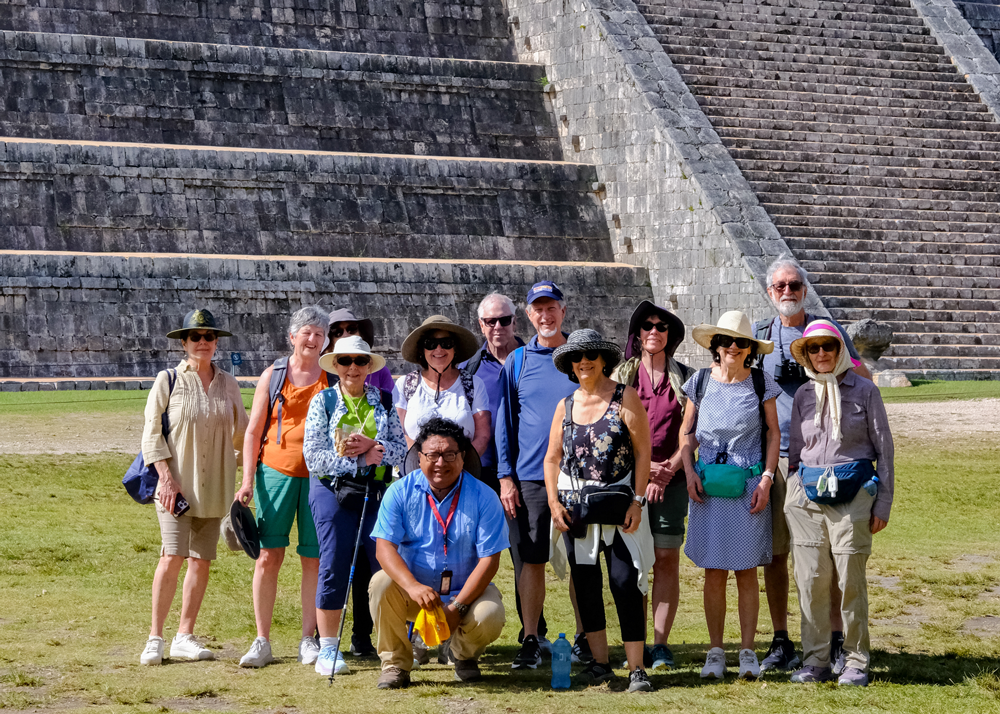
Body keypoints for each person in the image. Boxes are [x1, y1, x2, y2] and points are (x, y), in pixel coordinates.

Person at [753, 256, 872, 672]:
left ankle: (836, 638)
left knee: (830, 555)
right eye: (780, 286)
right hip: (776, 458)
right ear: (770, 292)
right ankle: (782, 638)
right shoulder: (760, 337)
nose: (787, 291)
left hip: (824, 462)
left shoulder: (827, 332)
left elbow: (862, 378)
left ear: (805, 290)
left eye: (794, 285)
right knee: (777, 555)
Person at [785, 320, 895, 687]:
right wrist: (793, 490)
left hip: (854, 492)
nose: (821, 354)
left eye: (827, 346)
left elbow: (885, 451)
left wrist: (883, 503)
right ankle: (815, 660)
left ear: (840, 350)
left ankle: (855, 660)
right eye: (813, 348)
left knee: (850, 578)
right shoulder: (803, 394)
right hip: (808, 496)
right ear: (806, 354)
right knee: (811, 579)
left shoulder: (865, 390)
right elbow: (796, 451)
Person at [545, 330, 655, 693]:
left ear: (603, 359)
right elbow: (551, 458)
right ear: (570, 364)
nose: (584, 362)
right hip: (577, 508)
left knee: (625, 582)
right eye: (577, 357)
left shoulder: (625, 396)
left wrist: (638, 501)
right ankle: (600, 663)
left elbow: (643, 452)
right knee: (586, 585)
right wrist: (553, 502)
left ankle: (637, 668)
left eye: (591, 355)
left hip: (620, 504)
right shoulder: (565, 405)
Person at [139, 309, 248, 666]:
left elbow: (242, 435)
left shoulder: (229, 384)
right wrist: (166, 478)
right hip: (176, 488)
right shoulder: (168, 380)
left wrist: (240, 469)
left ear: (216, 343)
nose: (203, 342)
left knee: (201, 562)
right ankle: (155, 637)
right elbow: (152, 434)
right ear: (184, 343)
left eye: (209, 337)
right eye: (196, 337)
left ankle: (184, 636)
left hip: (214, 488)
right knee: (172, 556)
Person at [369, 418, 508, 689]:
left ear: (463, 457)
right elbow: (384, 548)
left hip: (466, 594)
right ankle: (396, 664)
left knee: (490, 613)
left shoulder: (484, 496)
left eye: (449, 455)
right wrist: (413, 587)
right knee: (380, 583)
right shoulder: (399, 492)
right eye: (432, 455)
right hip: (415, 595)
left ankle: (463, 655)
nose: (440, 463)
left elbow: (490, 561)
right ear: (419, 457)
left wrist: (458, 606)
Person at [679, 311, 781, 680]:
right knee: (714, 571)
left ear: (750, 348)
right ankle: (715, 651)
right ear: (716, 345)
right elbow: (686, 433)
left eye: (740, 342)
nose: (733, 347)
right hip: (708, 487)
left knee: (747, 571)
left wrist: (767, 479)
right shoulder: (699, 381)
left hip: (749, 487)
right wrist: (689, 473)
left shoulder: (762, 383)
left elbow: (773, 433)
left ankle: (748, 651)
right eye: (726, 341)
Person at [302, 336, 407, 677]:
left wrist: (375, 446)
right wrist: (359, 459)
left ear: (369, 366)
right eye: (345, 361)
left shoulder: (384, 400)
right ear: (335, 365)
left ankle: (393, 645)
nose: (353, 368)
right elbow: (313, 457)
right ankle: (328, 648)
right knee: (333, 563)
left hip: (374, 491)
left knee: (384, 563)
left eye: (360, 361)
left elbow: (400, 449)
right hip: (331, 492)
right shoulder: (323, 401)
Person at [496, 281, 585, 667]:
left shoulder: (580, 357)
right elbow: (504, 422)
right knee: (530, 560)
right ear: (529, 315)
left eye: (552, 309)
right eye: (538, 310)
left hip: (577, 477)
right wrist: (505, 476)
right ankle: (531, 637)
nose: (546, 316)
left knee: (581, 559)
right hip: (531, 476)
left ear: (563, 312)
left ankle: (584, 636)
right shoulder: (517, 361)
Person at [235, 306, 330, 668]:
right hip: (275, 471)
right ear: (292, 337)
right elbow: (253, 431)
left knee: (313, 558)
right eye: (307, 332)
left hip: (319, 476)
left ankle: (309, 638)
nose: (313, 340)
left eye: (319, 334)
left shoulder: (331, 377)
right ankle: (262, 639)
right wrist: (247, 480)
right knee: (268, 555)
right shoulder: (274, 375)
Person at [612, 301, 693, 671]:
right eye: (647, 325)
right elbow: (613, 429)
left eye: (662, 326)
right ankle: (637, 641)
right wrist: (646, 472)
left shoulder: (686, 378)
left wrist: (668, 468)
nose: (654, 331)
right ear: (638, 333)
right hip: (632, 482)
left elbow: (693, 431)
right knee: (635, 562)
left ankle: (660, 644)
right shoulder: (621, 377)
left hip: (671, 481)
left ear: (670, 335)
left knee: (666, 558)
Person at [394, 315, 490, 456]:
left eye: (446, 343)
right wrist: (423, 461)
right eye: (430, 344)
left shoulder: (474, 385)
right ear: (422, 350)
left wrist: (457, 463)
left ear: (455, 348)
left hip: (462, 466)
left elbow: (483, 435)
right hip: (415, 465)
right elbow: (397, 432)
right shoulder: (405, 385)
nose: (439, 349)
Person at [460, 293, 525, 495]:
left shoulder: (531, 361)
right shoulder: (467, 369)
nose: (498, 327)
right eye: (490, 321)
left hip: (526, 469)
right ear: (481, 325)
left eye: (504, 320)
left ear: (514, 322)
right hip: (482, 470)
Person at [324, 308, 395, 393]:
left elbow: (391, 399)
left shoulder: (380, 372)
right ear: (330, 341)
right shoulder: (321, 374)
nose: (345, 335)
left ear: (361, 334)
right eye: (337, 332)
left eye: (351, 329)